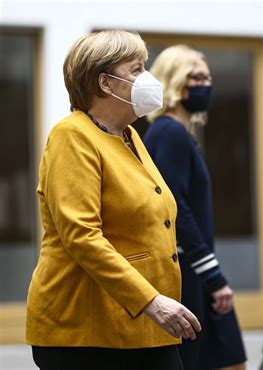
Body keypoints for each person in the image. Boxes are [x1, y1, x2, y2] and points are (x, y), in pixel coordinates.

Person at [26, 30, 201, 370]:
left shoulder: (130, 135)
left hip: (140, 324)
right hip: (85, 330)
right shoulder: (72, 136)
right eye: (136, 69)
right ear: (105, 83)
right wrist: (151, 300)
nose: (147, 78)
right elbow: (82, 236)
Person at [143, 45, 247, 370]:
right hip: (187, 271)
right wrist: (213, 276)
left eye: (208, 77)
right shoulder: (170, 132)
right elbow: (175, 208)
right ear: (173, 81)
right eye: (195, 77)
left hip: (193, 268)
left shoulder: (176, 132)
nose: (205, 84)